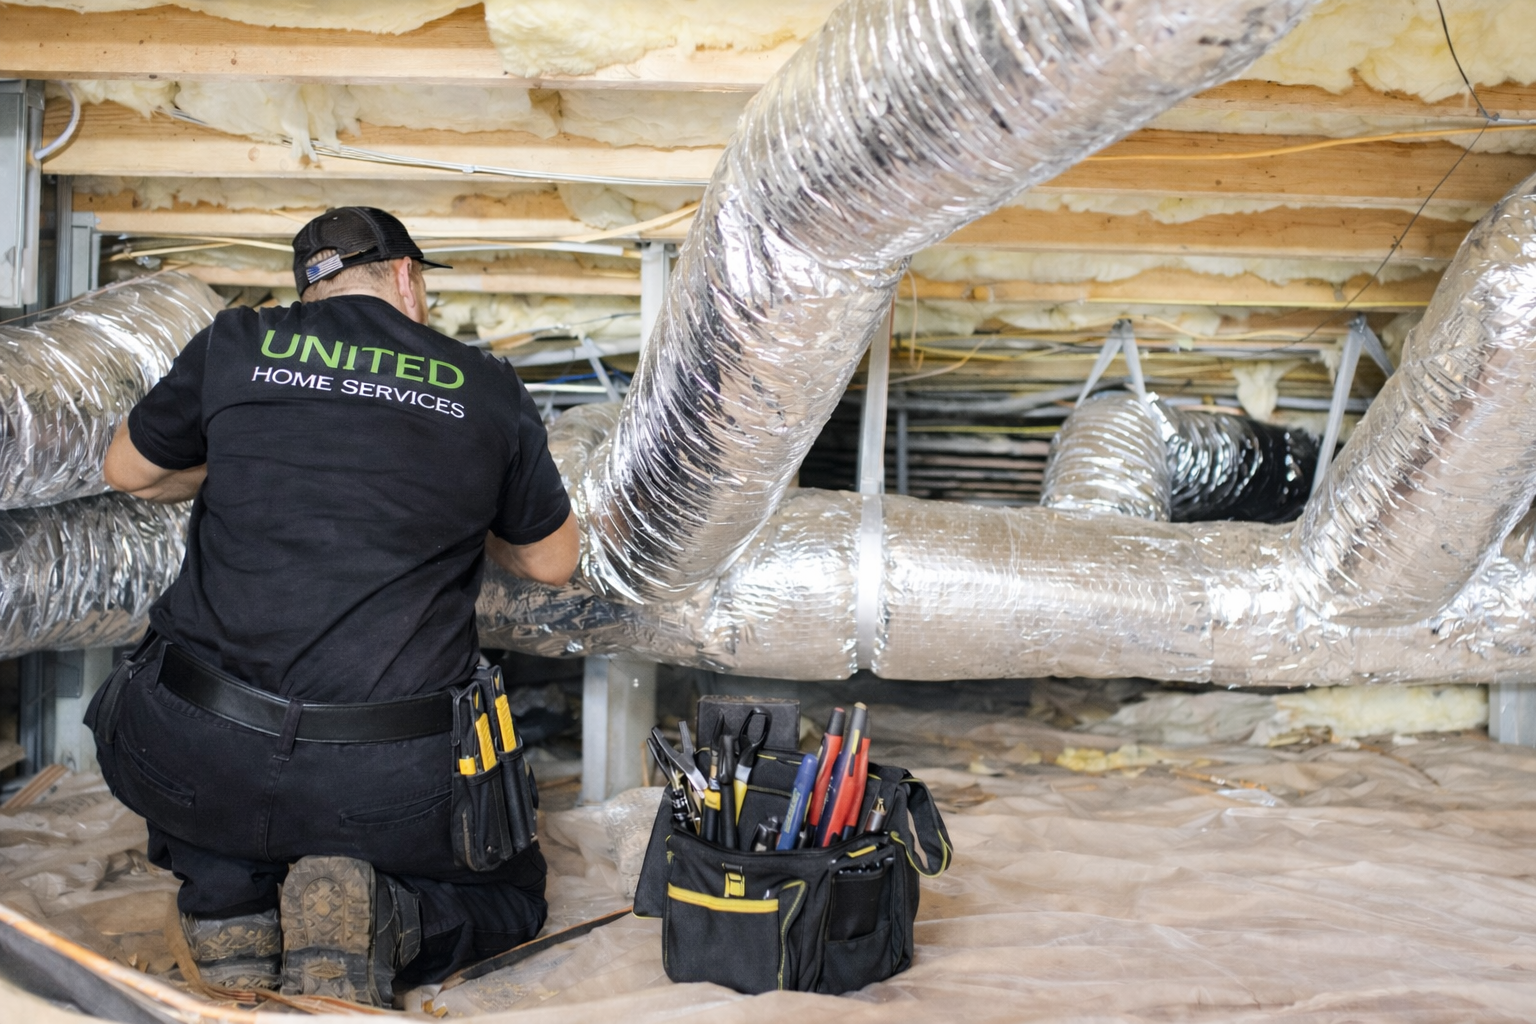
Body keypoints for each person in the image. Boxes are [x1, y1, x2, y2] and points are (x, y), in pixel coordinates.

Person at [87, 207, 579, 1006]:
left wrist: (246, 460)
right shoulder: (485, 385)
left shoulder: (236, 342)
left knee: (206, 756)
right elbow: (553, 563)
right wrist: (471, 508)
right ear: (407, 279)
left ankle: (228, 905)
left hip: (188, 755)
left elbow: (126, 471)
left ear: (308, 287)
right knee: (517, 891)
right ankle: (385, 915)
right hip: (383, 783)